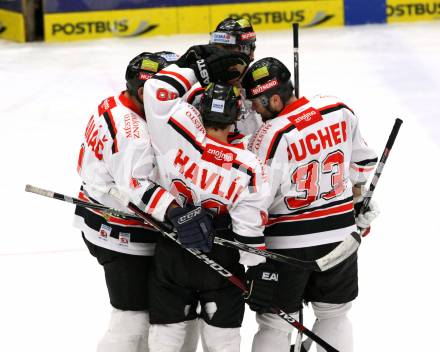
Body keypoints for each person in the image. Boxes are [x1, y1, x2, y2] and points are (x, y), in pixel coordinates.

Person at [142, 45, 278, 352]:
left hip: (173, 248)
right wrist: (258, 271)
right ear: (236, 117)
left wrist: (189, 65)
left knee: (166, 337)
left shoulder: (173, 132)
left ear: (200, 111)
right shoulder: (248, 166)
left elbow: (156, 88)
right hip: (221, 256)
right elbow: (249, 231)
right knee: (223, 341)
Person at [241, 57, 380, 352]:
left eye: (256, 101)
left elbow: (255, 201)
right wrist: (351, 201)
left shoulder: (268, 137)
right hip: (340, 238)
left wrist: (250, 254)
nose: (252, 108)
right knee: (335, 314)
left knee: (276, 323)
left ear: (274, 98)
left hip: (287, 248)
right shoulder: (337, 109)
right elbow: (364, 162)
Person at [73, 51, 198, 352]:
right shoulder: (135, 133)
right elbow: (137, 187)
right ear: (143, 92)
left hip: (98, 215)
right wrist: (176, 211)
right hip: (120, 233)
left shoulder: (115, 102)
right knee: (132, 319)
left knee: (152, 316)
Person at [185, 17, 262, 145]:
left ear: (250, 54)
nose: (221, 59)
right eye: (217, 50)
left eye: (229, 51)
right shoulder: (195, 97)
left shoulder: (260, 90)